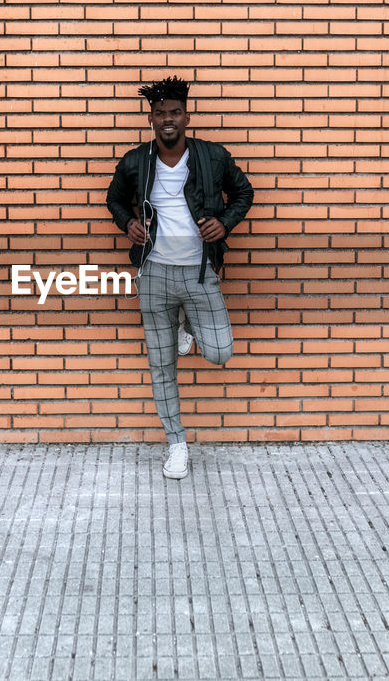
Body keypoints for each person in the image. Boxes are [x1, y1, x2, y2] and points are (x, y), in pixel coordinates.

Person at [106, 77, 254, 479]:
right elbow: (114, 198)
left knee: (220, 351)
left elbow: (244, 192)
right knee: (161, 365)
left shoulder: (212, 156)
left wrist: (225, 224)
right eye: (160, 114)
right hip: (153, 274)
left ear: (186, 116)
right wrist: (128, 223)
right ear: (151, 119)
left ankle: (187, 324)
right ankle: (176, 444)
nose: (167, 119)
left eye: (174, 112)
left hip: (200, 271)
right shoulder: (136, 160)